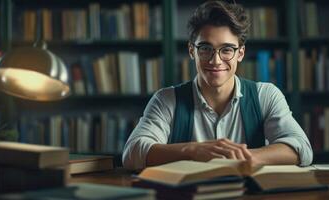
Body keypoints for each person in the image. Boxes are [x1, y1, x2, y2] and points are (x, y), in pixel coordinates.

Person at [122, 0, 312, 170]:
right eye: (205, 49)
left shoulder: (266, 95)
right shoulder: (167, 99)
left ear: (240, 53)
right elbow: (132, 153)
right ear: (191, 51)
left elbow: (301, 147)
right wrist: (192, 151)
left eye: (227, 50)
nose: (216, 61)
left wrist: (244, 157)